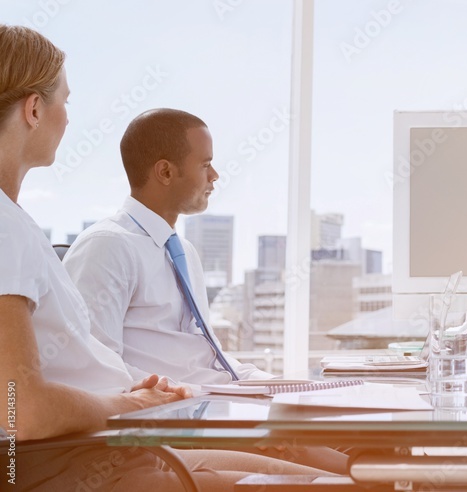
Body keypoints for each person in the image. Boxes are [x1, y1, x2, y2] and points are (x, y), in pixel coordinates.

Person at [0, 25, 329, 490]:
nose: (68, 119)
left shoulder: (17, 224)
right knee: (338, 480)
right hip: (85, 458)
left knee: (341, 472)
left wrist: (137, 399)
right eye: (65, 102)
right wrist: (129, 404)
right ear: (34, 109)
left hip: (120, 441)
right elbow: (20, 410)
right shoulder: (11, 228)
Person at [63, 108, 349, 474]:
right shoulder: (107, 247)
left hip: (223, 408)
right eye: (205, 165)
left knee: (369, 450)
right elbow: (97, 369)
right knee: (345, 477)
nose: (215, 176)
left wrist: (285, 387)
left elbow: (209, 359)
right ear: (165, 172)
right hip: (185, 419)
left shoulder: (183, 252)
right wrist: (211, 401)